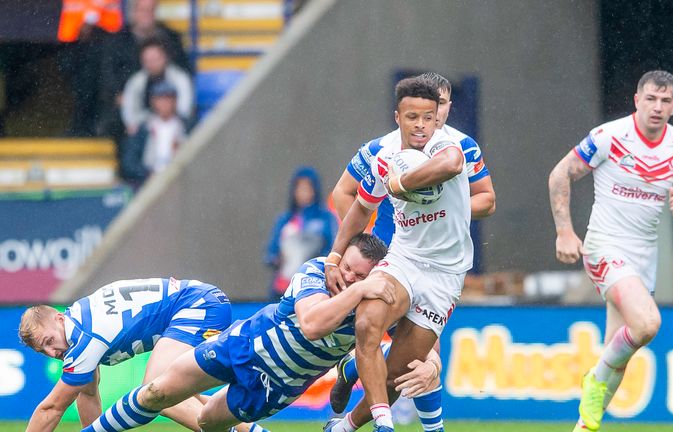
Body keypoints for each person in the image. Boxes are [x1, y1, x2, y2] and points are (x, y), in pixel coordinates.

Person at [79, 234, 392, 432]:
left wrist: (429, 364)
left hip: (277, 386)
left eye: (359, 275)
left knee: (206, 423)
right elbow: (311, 324)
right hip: (244, 344)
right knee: (156, 391)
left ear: (376, 275)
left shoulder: (373, 308)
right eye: (347, 267)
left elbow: (408, 340)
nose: (347, 277)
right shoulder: (318, 270)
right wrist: (360, 288)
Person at [329, 71, 496, 432]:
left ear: (441, 112)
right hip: (398, 256)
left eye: (433, 112)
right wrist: (347, 252)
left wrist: (406, 184)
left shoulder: (456, 146)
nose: (424, 122)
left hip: (445, 271)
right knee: (369, 324)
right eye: (413, 116)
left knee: (409, 368)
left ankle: (346, 411)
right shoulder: (380, 151)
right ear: (398, 116)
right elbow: (350, 198)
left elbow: (469, 181)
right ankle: (396, 424)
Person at [547, 70, 673, 432]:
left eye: (665, 101)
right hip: (605, 248)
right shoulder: (609, 136)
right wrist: (565, 232)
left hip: (644, 259)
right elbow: (559, 174)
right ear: (637, 100)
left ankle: (583, 426)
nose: (657, 107)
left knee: (617, 355)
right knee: (647, 324)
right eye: (651, 99)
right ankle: (593, 381)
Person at [19, 278, 235, 431]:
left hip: (198, 305)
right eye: (43, 351)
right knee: (176, 392)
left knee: (156, 392)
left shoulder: (83, 340)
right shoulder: (77, 319)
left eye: (49, 341)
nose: (52, 352)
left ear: (59, 319)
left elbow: (51, 409)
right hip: (203, 299)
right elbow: (88, 393)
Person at [265, 166, 338, 299]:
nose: (303, 192)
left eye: (307, 188)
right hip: (282, 288)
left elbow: (332, 251)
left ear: (315, 190)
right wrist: (276, 259)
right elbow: (271, 252)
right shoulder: (285, 220)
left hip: (312, 287)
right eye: (299, 188)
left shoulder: (325, 218)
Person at [120, 38, 194, 138]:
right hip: (145, 128)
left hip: (176, 125)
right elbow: (129, 111)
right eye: (147, 60)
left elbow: (185, 108)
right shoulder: (136, 82)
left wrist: (167, 122)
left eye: (155, 59)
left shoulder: (179, 78)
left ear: (165, 57)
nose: (152, 64)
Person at [120, 80, 188, 186]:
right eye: (161, 99)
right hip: (149, 180)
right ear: (153, 101)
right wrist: (147, 174)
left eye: (168, 99)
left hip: (180, 178)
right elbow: (129, 163)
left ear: (175, 101)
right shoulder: (143, 128)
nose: (165, 104)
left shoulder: (186, 126)